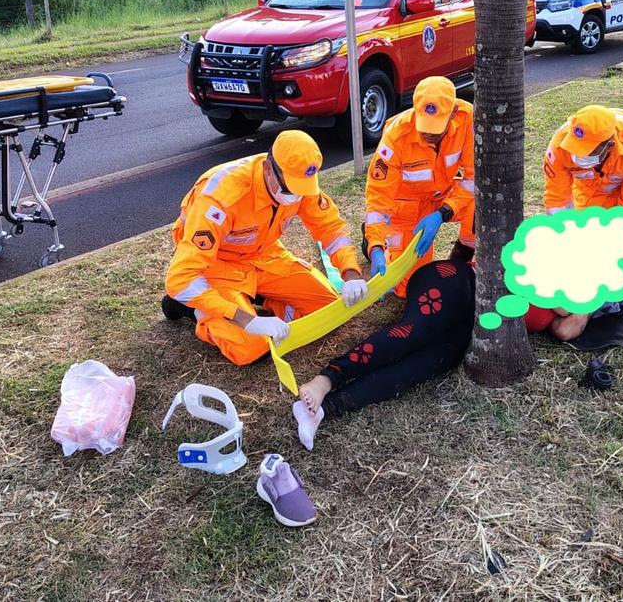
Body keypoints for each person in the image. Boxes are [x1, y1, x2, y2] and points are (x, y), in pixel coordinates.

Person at [161, 130, 368, 366]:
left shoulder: (300, 181)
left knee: (328, 310)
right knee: (251, 347)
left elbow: (329, 227)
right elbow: (180, 278)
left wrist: (350, 272)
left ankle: (256, 296)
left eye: (303, 189)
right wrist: (245, 319)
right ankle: (191, 308)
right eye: (290, 189)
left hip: (263, 255)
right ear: (269, 169)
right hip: (217, 265)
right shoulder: (222, 196)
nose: (296, 196)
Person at [527, 105, 623, 341]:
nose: (578, 156)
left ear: (608, 145)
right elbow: (557, 198)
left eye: (587, 152)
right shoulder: (560, 146)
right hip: (592, 194)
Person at [291, 259, 475, 450]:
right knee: (413, 331)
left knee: (426, 364)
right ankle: (327, 378)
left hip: (471, 320)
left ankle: (322, 410)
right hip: (456, 277)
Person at [363, 76, 475, 300]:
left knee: (482, 203)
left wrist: (443, 212)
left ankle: (462, 257)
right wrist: (375, 246)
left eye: (436, 128)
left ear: (452, 113)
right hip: (407, 207)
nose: (428, 134)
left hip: (445, 197)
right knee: (409, 289)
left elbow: (475, 177)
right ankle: (376, 243)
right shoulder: (396, 137)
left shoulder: (467, 118)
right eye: (425, 126)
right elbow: (378, 199)